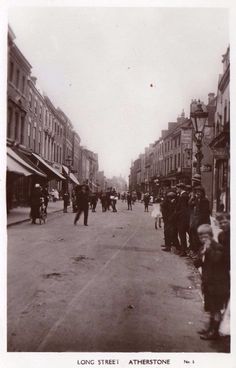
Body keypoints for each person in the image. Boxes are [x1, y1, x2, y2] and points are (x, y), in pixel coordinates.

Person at [194, 224, 230, 340]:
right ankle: (210, 328)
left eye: (205, 237)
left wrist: (208, 250)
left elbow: (216, 259)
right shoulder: (204, 248)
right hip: (209, 284)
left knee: (216, 309)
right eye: (201, 237)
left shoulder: (217, 247)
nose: (203, 239)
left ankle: (214, 332)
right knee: (211, 307)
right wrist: (201, 254)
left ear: (211, 236)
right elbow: (197, 263)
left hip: (218, 284)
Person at [188, 186, 211, 258]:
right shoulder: (196, 199)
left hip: (202, 222)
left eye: (199, 192)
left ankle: (199, 253)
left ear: (202, 192)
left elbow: (204, 213)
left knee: (199, 238)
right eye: (196, 192)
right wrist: (192, 198)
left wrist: (198, 223)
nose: (198, 193)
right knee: (194, 237)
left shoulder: (205, 200)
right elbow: (190, 205)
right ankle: (195, 251)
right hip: (195, 221)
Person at [175, 183, 190, 257]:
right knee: (183, 234)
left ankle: (183, 251)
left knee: (182, 234)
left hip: (183, 218)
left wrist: (176, 213)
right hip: (183, 218)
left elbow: (183, 209)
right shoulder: (182, 195)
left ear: (181, 188)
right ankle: (184, 249)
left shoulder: (184, 196)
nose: (176, 189)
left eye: (177, 188)